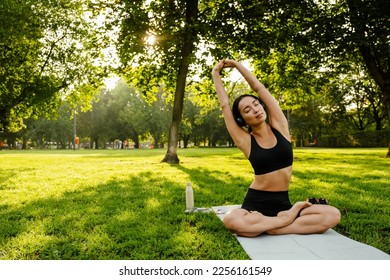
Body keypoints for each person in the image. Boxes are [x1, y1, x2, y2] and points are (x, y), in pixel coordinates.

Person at [212, 59, 341, 237]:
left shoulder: (280, 127)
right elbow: (225, 105)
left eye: (256, 104)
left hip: (283, 204)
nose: (255, 109)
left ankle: (272, 226)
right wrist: (215, 74)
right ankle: (282, 222)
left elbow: (259, 88)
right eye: (247, 110)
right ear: (242, 120)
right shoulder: (245, 141)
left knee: (332, 215)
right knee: (231, 220)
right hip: (256, 204)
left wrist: (238, 66)